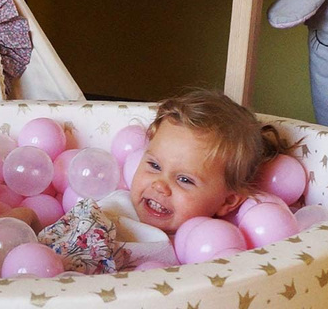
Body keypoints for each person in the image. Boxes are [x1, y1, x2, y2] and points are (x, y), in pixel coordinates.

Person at [39, 88, 287, 272]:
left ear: (227, 202)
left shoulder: (201, 252)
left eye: (184, 180)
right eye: (154, 165)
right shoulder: (112, 205)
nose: (159, 185)